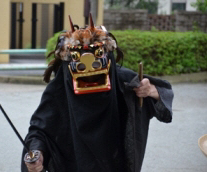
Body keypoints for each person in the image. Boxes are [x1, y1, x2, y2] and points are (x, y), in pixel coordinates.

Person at [21, 15, 173, 172]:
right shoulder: (59, 89)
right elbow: (40, 132)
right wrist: (37, 155)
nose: (89, 73)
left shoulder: (123, 81)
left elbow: (164, 99)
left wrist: (151, 91)